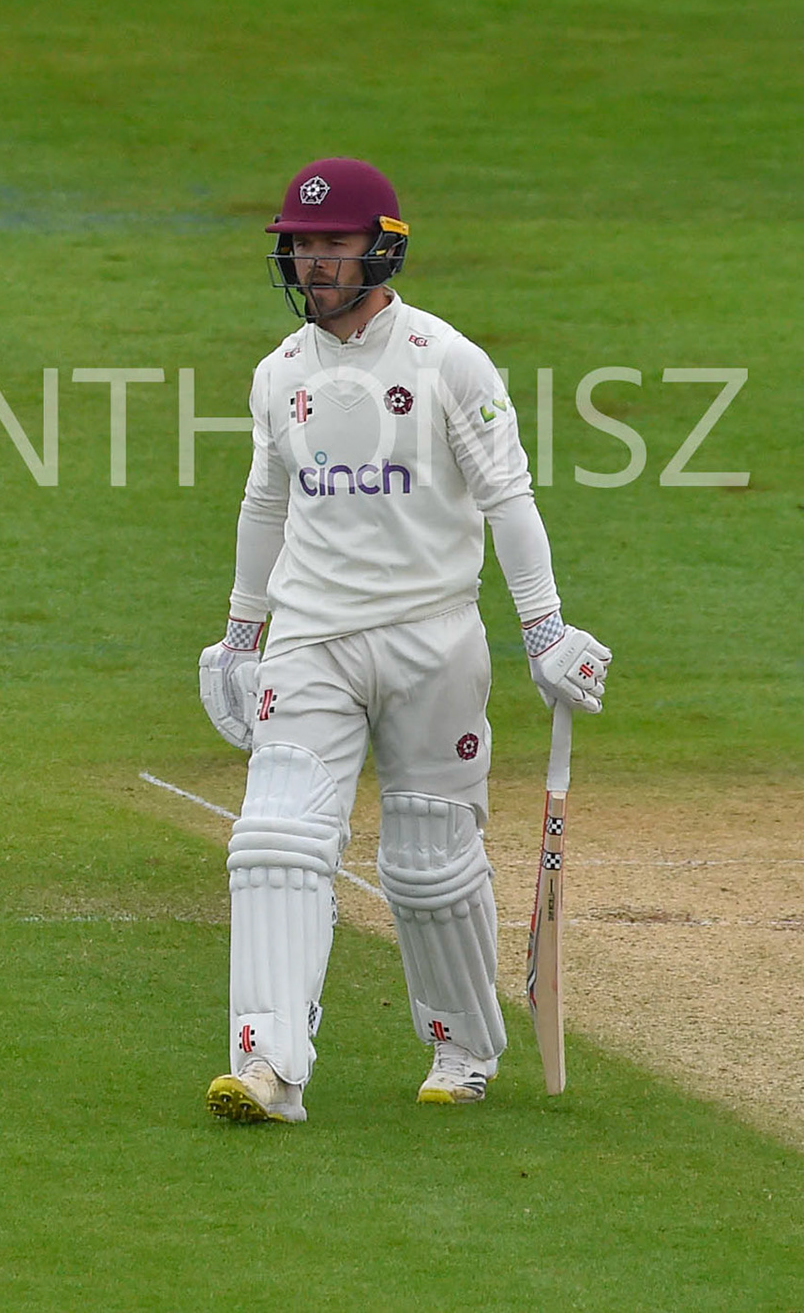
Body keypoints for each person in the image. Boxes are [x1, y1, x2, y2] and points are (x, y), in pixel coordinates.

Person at [196, 157, 610, 1122]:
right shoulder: (279, 375)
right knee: (276, 838)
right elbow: (267, 502)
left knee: (429, 864)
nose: (310, 264)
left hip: (433, 638)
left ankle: (462, 1046)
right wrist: (239, 632)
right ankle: (267, 1066)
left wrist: (543, 630)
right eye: (298, 247)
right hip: (312, 636)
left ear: (380, 248)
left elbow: (508, 497)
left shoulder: (443, 360)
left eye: (331, 245)